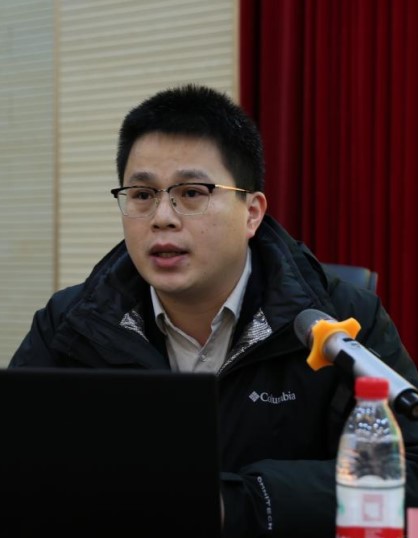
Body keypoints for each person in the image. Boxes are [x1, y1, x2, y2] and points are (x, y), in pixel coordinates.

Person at [10, 84, 418, 537]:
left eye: (192, 192)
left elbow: (411, 473)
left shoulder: (340, 320)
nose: (162, 217)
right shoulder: (73, 324)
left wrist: (235, 504)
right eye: (142, 195)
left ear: (252, 213)